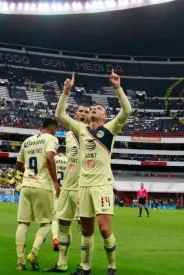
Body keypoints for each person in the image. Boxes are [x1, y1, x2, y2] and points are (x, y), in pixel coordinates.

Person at [55, 70, 131, 275]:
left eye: (99, 108)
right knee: (86, 230)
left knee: (105, 229)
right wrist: (65, 92)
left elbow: (127, 111)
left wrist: (117, 87)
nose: (95, 109)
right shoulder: (81, 129)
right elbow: (60, 115)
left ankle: (112, 266)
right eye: (93, 108)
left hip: (102, 185)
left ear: (105, 116)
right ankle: (85, 267)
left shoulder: (109, 129)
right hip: (83, 186)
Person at [45, 103, 91, 273]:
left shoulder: (93, 134)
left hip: (83, 187)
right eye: (81, 111)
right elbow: (59, 113)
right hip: (67, 187)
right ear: (75, 114)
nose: (84, 114)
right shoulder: (69, 133)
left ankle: (84, 265)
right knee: (63, 225)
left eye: (87, 112)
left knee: (84, 228)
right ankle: (62, 263)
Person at [15, 118, 60, 271]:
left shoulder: (27, 141)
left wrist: (29, 175)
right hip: (43, 186)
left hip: (26, 184)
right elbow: (49, 157)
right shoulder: (52, 139)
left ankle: (20, 260)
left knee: (23, 223)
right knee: (46, 223)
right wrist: (55, 181)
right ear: (53, 129)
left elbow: (19, 164)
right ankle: (33, 252)